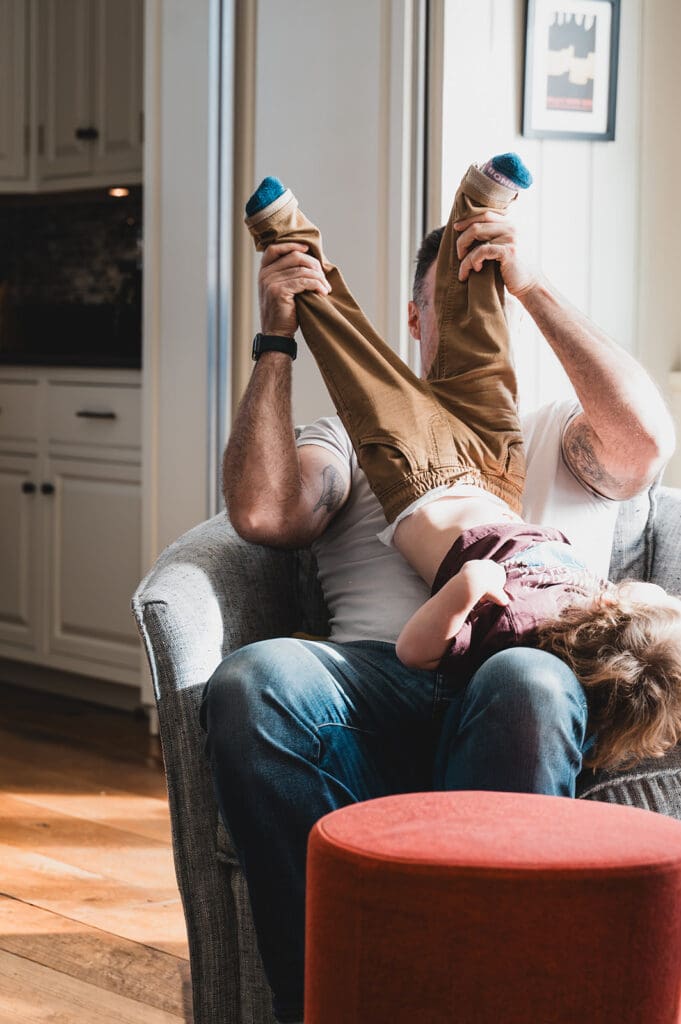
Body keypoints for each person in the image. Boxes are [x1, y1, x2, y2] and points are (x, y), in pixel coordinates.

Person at [201, 157, 675, 1024]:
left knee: (525, 679)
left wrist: (526, 285)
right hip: (380, 678)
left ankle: (491, 1002)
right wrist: (278, 337)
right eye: (452, 296)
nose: (468, 309)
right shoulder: (348, 430)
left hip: (525, 674)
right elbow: (265, 513)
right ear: (417, 317)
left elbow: (645, 444)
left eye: (482, 294)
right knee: (254, 681)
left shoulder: (559, 432)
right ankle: (326, 1000)